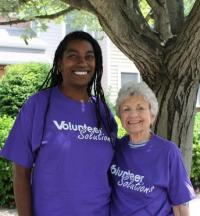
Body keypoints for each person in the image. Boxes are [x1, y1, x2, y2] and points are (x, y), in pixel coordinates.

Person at [0, 31, 117, 216]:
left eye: (89, 57)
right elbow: (21, 173)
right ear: (60, 63)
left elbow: (112, 171)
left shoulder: (102, 111)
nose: (82, 63)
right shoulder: (38, 105)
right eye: (73, 56)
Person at [110, 81, 196, 216]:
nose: (133, 115)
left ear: (152, 115)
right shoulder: (115, 148)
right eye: (126, 109)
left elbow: (180, 205)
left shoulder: (168, 152)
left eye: (140, 108)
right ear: (120, 117)